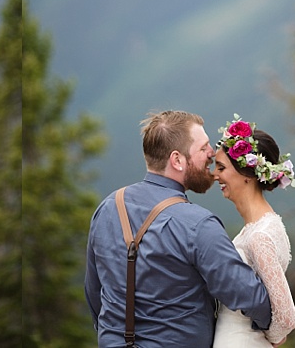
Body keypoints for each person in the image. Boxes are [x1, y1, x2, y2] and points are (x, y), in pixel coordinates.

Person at [85, 110, 272, 348]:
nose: (212, 154)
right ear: (177, 160)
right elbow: (250, 296)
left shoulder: (108, 207)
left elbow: (94, 293)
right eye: (203, 148)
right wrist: (271, 329)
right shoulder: (198, 224)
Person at [212, 114, 295, 347]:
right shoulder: (261, 226)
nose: (215, 175)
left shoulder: (259, 236)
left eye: (221, 167)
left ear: (246, 175)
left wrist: (266, 339)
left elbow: (287, 317)